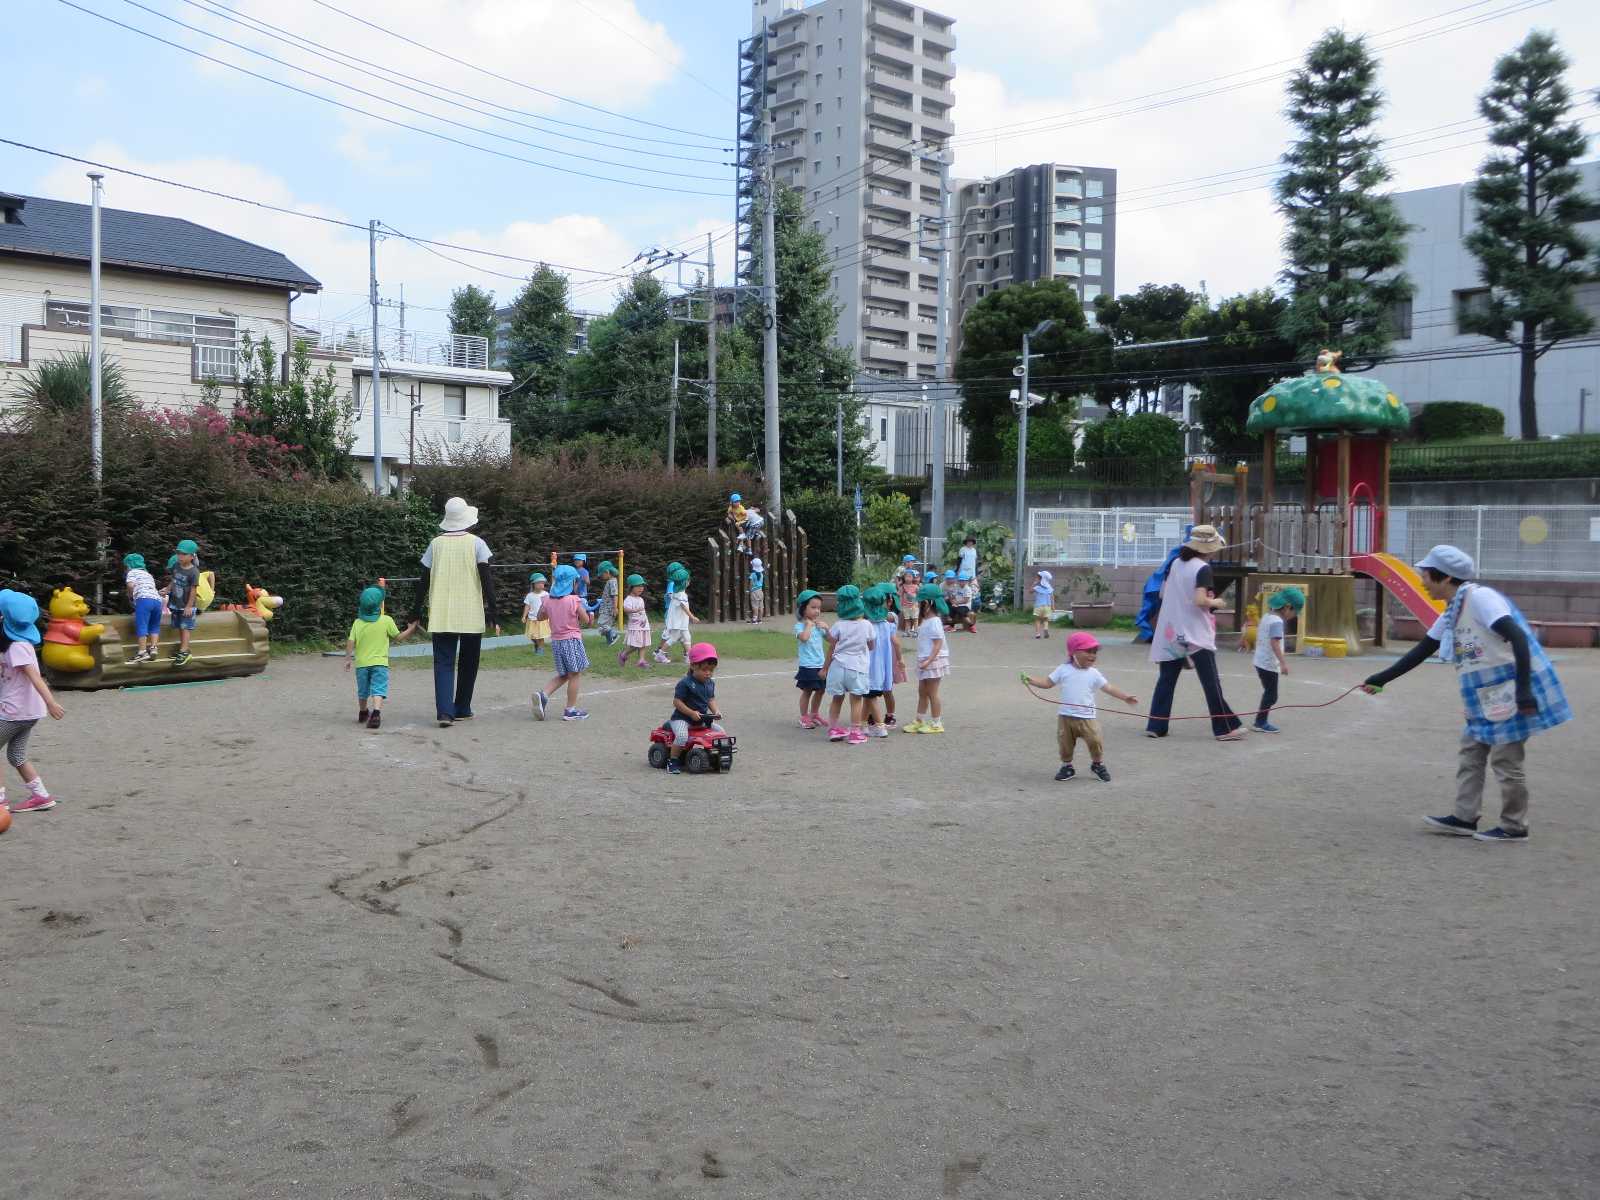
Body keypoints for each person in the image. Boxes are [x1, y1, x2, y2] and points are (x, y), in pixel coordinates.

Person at [1361, 545, 1570, 842]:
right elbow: (1424, 649)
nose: (1422, 580)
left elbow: (1518, 637)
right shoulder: (1452, 610)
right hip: (1485, 695)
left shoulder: (1482, 599)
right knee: (1471, 750)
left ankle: (1514, 826)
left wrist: (1523, 691)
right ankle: (1464, 818)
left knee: (1506, 759)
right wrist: (1381, 679)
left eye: (1426, 575)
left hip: (1511, 689)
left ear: (1445, 577)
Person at [1145, 524, 1244, 742]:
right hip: (1195, 631)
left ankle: (1156, 725)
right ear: (1209, 548)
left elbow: (1162, 593)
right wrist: (1216, 602)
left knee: (1166, 679)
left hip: (1171, 630)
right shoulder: (1203, 568)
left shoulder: (1175, 563)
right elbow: (1200, 600)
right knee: (1210, 681)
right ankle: (1224, 727)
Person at [419, 496, 498, 729]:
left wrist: (415, 611)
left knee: (443, 662)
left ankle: (445, 712)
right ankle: (462, 707)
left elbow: (423, 580)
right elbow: (487, 581)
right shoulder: (477, 544)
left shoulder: (435, 544)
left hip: (441, 612)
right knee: (469, 662)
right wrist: (493, 612)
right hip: (470, 613)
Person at [1025, 631, 1139, 782]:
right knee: (1065, 744)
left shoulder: (1094, 673)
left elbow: (1109, 688)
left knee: (1095, 741)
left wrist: (1125, 697)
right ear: (1074, 652)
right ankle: (1067, 766)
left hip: (1087, 717)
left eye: (1094, 652)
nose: (1092, 655)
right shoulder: (1063, 669)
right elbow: (1047, 683)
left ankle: (1097, 764)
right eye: (1088, 651)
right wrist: (1031, 680)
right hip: (1066, 717)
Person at [0, 590, 65, 814]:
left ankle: (0, 801)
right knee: (16, 755)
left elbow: (35, 677)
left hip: (15, 712)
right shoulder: (9, 644)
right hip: (25, 712)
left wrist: (51, 702)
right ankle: (41, 796)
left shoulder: (18, 646)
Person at [344, 585, 420, 730]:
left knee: (363, 690)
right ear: (379, 604)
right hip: (380, 663)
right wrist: (411, 629)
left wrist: (348, 659)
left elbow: (350, 641)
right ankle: (376, 713)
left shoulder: (357, 623)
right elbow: (398, 637)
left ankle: (363, 712)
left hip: (362, 664)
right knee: (378, 688)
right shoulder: (386, 620)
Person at [534, 564, 594, 722]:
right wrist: (591, 617)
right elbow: (586, 620)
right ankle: (570, 710)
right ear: (571, 582)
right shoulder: (574, 600)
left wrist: (546, 607)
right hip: (571, 641)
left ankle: (543, 695)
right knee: (575, 674)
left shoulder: (547, 600)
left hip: (557, 642)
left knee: (565, 674)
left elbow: (540, 617)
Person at [822, 585, 875, 744]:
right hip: (857, 667)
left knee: (837, 698)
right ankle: (855, 732)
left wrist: (826, 630)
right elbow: (871, 646)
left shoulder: (839, 624)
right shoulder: (867, 625)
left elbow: (831, 641)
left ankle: (833, 729)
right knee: (856, 699)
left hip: (837, 666)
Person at [664, 642, 725, 775]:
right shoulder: (685, 683)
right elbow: (677, 702)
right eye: (704, 670)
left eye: (711, 670)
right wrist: (691, 713)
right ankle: (672, 761)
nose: (708, 673)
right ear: (693, 666)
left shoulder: (710, 683)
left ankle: (715, 758)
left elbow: (710, 699)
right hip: (682, 719)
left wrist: (716, 711)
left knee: (721, 733)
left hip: (701, 720)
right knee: (682, 736)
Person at [1250, 587, 1303, 733]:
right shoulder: (1277, 621)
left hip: (1259, 661)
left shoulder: (1267, 616)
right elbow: (1274, 642)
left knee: (1269, 692)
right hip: (1268, 664)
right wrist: (1283, 663)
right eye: (1294, 612)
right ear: (1287, 607)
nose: (1293, 616)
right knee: (1271, 695)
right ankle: (1260, 722)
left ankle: (1260, 721)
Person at [903, 582, 949, 734]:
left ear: (928, 604)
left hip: (933, 661)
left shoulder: (934, 621)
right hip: (925, 660)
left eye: (920, 603)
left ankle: (936, 723)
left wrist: (929, 661)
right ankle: (919, 720)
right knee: (922, 692)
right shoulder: (927, 621)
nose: (917, 605)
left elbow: (937, 644)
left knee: (932, 693)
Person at [862, 583, 902, 737]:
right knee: (869, 695)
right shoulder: (886, 625)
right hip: (882, 665)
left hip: (870, 665)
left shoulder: (868, 624)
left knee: (871, 695)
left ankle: (880, 724)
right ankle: (864, 722)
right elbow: (895, 642)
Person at [162, 538, 202, 666]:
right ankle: (183, 649)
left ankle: (184, 652)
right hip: (176, 603)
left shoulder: (194, 572)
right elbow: (174, 580)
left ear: (192, 556)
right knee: (180, 626)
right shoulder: (176, 566)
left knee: (185, 628)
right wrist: (167, 589)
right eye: (178, 553)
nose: (180, 556)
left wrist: (189, 606)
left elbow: (193, 590)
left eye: (184, 554)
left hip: (186, 606)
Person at [793, 589, 828, 728]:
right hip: (807, 665)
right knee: (807, 691)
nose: (817, 611)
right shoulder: (799, 626)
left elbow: (831, 640)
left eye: (819, 608)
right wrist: (808, 625)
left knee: (821, 690)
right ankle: (804, 717)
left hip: (821, 664)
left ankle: (814, 714)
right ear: (803, 608)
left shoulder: (819, 626)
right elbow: (804, 638)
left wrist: (827, 628)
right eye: (813, 607)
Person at [123, 552, 163, 664]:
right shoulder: (148, 574)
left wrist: (131, 595)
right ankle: (154, 648)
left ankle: (142, 652)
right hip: (157, 601)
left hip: (144, 599)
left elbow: (130, 585)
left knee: (142, 625)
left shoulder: (132, 572)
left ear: (129, 565)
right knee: (154, 625)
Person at [655, 564, 697, 664]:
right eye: (687, 580)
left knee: (687, 637)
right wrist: (692, 617)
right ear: (684, 583)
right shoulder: (681, 594)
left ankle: (689, 657)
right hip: (678, 622)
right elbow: (683, 606)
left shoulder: (677, 593)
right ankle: (660, 654)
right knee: (673, 637)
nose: (689, 581)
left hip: (681, 622)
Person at [619, 574, 652, 668]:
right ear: (631, 587)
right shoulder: (628, 599)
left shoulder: (640, 599)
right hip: (635, 627)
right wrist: (635, 610)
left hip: (644, 625)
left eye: (642, 586)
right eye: (638, 586)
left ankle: (641, 660)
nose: (641, 588)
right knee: (635, 645)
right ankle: (623, 654)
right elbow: (625, 609)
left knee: (644, 643)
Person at [522, 572, 550, 656]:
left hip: (542, 619)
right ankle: (537, 645)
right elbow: (527, 606)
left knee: (541, 636)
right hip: (532, 619)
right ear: (533, 584)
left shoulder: (546, 594)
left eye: (542, 583)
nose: (541, 585)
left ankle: (541, 649)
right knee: (532, 636)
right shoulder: (530, 595)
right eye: (539, 583)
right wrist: (524, 616)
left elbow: (548, 606)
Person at [592, 560, 620, 646]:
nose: (601, 576)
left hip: (608, 608)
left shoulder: (612, 582)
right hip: (606, 607)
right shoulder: (611, 581)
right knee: (607, 625)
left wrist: (615, 608)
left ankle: (614, 634)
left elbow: (615, 595)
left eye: (602, 574)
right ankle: (610, 640)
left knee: (601, 624)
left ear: (607, 572)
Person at [1031, 569, 1055, 639]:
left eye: (1038, 578)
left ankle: (1038, 634)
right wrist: (1053, 606)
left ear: (1041, 579)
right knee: (1046, 619)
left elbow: (1030, 591)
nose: (1037, 578)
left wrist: (1034, 584)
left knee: (1038, 620)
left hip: (1038, 606)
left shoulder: (1037, 587)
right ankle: (1045, 629)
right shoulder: (1050, 588)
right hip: (1047, 606)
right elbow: (1052, 598)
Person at [748, 557, 765, 624]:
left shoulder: (752, 574)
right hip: (760, 591)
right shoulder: (761, 574)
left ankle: (754, 620)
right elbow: (761, 583)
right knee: (761, 606)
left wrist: (750, 591)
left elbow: (751, 584)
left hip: (754, 591)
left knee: (755, 606)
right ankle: (760, 620)